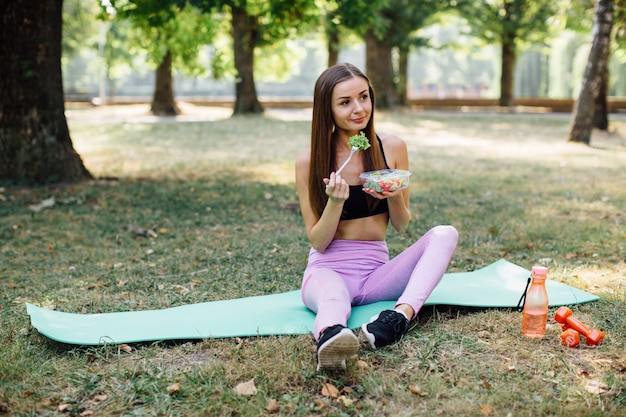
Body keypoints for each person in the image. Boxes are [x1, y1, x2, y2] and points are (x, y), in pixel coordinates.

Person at [295, 63, 459, 371]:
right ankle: (331, 339)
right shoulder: (309, 161)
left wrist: (393, 192)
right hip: (329, 269)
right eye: (345, 102)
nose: (359, 109)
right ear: (327, 110)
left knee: (445, 233)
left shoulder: (392, 147)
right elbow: (317, 240)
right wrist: (334, 203)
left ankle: (397, 319)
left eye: (364, 97)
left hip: (375, 273)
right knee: (334, 302)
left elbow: (401, 224)